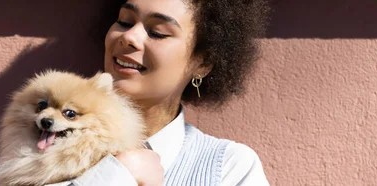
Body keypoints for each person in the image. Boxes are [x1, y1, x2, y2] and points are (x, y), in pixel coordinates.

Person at [51, 0, 271, 185]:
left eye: (157, 32)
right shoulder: (45, 136)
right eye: (125, 22)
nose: (129, 37)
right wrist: (117, 175)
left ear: (202, 63)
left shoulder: (228, 167)